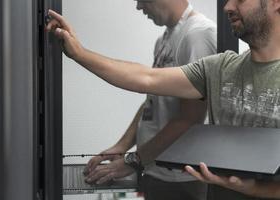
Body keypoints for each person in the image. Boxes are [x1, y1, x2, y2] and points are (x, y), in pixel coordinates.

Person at [46, 0, 280, 199]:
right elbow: (146, 79)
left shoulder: (198, 34)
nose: (227, 6)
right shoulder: (221, 67)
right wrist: (79, 53)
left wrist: (253, 188)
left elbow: (187, 118)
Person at [62, 1, 216, 200]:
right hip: (156, 171)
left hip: (184, 180)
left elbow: (190, 118)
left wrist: (135, 160)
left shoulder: (198, 36)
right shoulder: (165, 39)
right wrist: (123, 145)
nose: (139, 7)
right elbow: (154, 100)